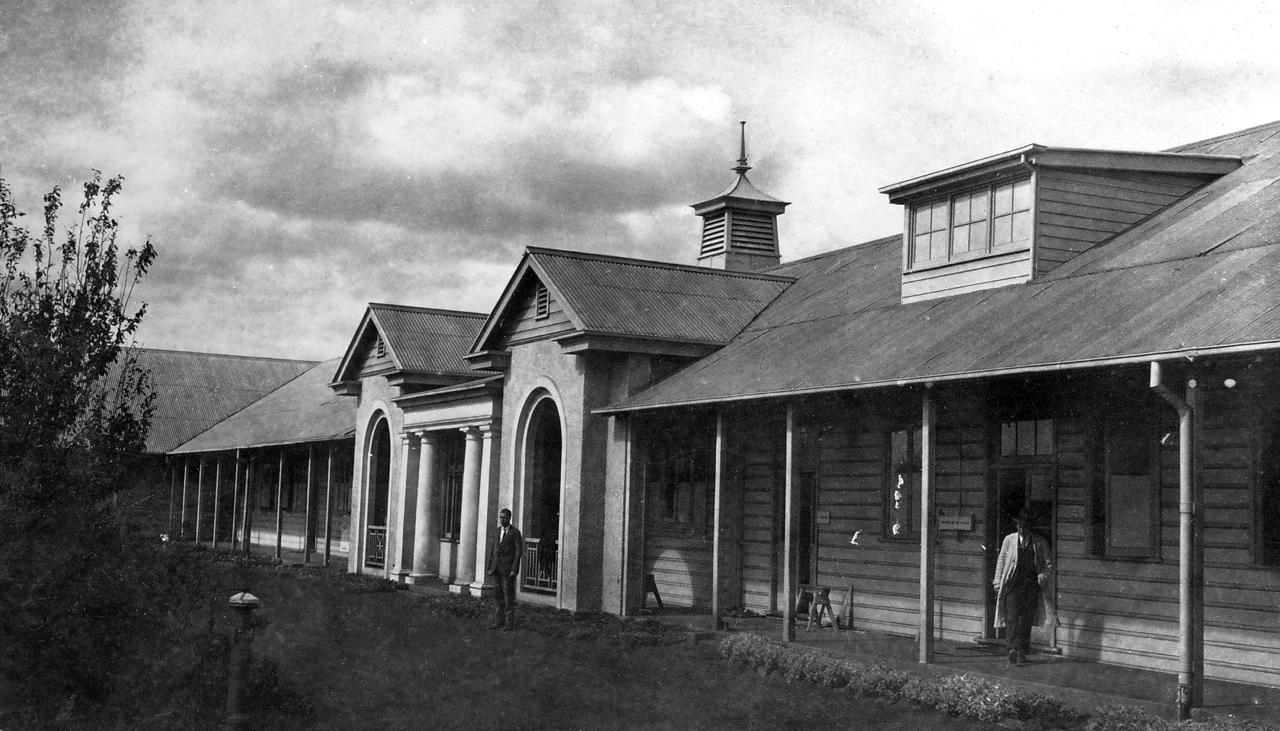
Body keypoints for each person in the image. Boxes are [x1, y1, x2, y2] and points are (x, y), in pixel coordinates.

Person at [992, 506, 1053, 665]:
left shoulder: (1040, 542)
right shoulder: (1009, 540)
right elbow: (1001, 562)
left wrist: (1043, 575)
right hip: (1012, 585)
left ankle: (1022, 651)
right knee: (1012, 617)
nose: (1022, 529)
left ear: (1030, 527)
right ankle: (1012, 649)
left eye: (1025, 526)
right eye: (1019, 525)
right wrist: (997, 581)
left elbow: (1048, 565)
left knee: (1025, 619)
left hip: (1030, 586)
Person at [487, 508, 523, 631]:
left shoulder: (515, 533)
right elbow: (493, 551)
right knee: (497, 596)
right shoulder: (497, 532)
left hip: (508, 570)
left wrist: (514, 569)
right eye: (500, 517)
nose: (502, 520)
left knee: (508, 597)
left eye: (504, 517)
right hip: (496, 568)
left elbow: (518, 552)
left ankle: (509, 624)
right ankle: (498, 622)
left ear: (509, 518)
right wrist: (489, 566)